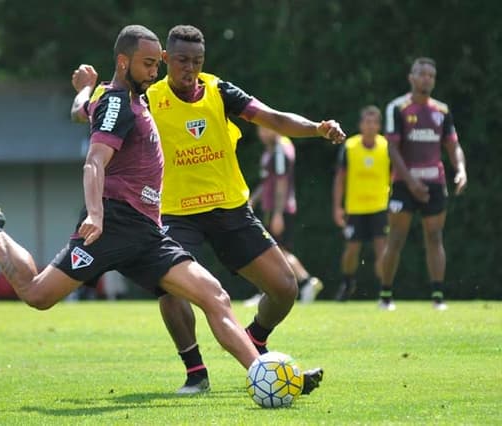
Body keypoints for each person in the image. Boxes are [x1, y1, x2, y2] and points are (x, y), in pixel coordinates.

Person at [0, 25, 261, 382]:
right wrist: (95, 213)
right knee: (37, 294)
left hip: (148, 233)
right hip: (113, 225)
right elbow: (94, 160)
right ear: (124, 63)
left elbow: (80, 111)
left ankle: (264, 375)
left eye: (157, 64)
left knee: (215, 296)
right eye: (148, 64)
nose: (155, 73)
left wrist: (85, 90)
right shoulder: (118, 103)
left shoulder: (127, 98)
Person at [71, 24, 344, 394]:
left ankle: (255, 344)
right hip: (173, 214)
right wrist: (85, 87)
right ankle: (196, 372)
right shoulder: (144, 94)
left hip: (229, 209)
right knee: (171, 292)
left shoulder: (219, 91)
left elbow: (272, 117)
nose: (190, 69)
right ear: (166, 60)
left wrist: (317, 128)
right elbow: (82, 112)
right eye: (182, 61)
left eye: (197, 61)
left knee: (284, 287)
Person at [379, 57, 467, 311]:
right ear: (411, 78)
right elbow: (392, 149)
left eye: (431, 74)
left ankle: (438, 296)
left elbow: (453, 145)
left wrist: (460, 169)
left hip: (434, 183)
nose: (427, 78)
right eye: (422, 74)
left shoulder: (442, 111)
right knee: (395, 237)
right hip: (404, 184)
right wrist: (410, 181)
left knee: (435, 236)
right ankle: (386, 296)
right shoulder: (398, 107)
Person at [245, 126, 324, 307]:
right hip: (272, 208)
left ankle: (301, 282)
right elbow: (267, 182)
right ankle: (305, 282)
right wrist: (252, 201)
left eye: (266, 129)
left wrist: (278, 214)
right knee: (277, 250)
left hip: (278, 209)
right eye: (260, 130)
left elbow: (281, 183)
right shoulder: (272, 150)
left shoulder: (280, 149)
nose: (262, 133)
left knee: (269, 251)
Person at [332, 106, 390, 301]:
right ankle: (347, 282)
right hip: (355, 208)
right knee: (351, 250)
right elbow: (340, 179)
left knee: (382, 249)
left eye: (375, 122)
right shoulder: (350, 147)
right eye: (367, 122)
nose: (371, 126)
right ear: (360, 125)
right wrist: (337, 207)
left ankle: (385, 290)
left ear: (379, 126)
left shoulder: (386, 146)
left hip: (379, 207)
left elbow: (393, 176)